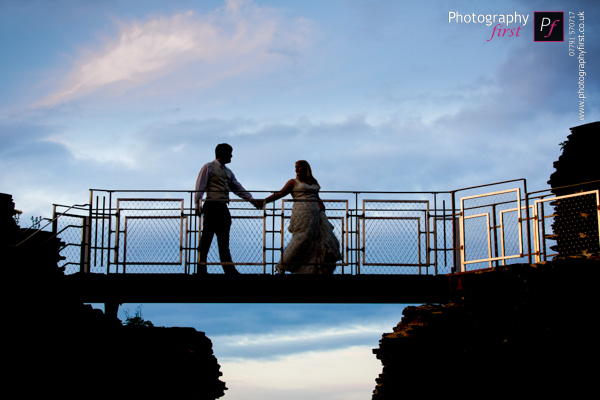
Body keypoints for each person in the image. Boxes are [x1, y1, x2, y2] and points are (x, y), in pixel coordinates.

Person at [262, 160, 341, 274]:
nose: (296, 169)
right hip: (302, 213)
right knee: (302, 238)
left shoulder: (313, 181)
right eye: (296, 167)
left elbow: (316, 196)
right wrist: (264, 202)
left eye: (299, 167)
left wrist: (320, 205)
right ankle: (282, 265)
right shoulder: (293, 182)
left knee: (316, 239)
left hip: (315, 213)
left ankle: (311, 269)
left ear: (306, 168)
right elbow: (280, 194)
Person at [194, 143, 258, 274]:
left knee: (223, 241)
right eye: (230, 153)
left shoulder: (228, 172)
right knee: (207, 238)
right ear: (223, 153)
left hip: (223, 207)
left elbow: (237, 187)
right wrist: (197, 205)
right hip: (211, 206)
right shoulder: (208, 167)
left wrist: (251, 200)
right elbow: (200, 187)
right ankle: (201, 268)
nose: (231, 156)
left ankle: (229, 269)